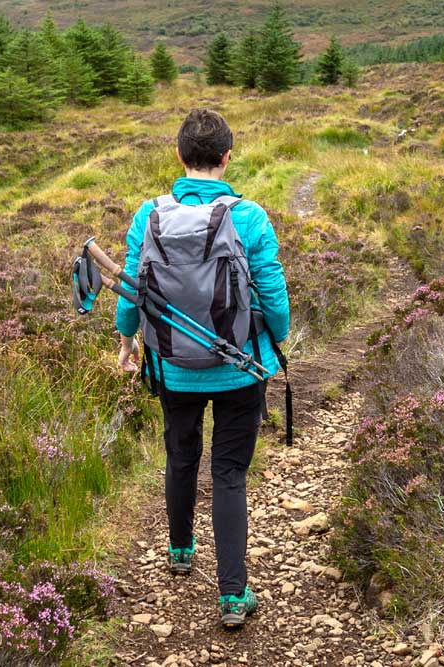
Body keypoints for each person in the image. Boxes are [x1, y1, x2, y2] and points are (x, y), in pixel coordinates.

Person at [115, 108, 290, 628]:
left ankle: (180, 550)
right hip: (240, 367)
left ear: (179, 156)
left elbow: (131, 289)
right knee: (230, 473)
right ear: (228, 157)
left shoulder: (148, 214)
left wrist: (127, 344)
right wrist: (274, 345)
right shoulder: (249, 216)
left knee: (180, 454)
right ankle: (234, 596)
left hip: (172, 365)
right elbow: (274, 293)